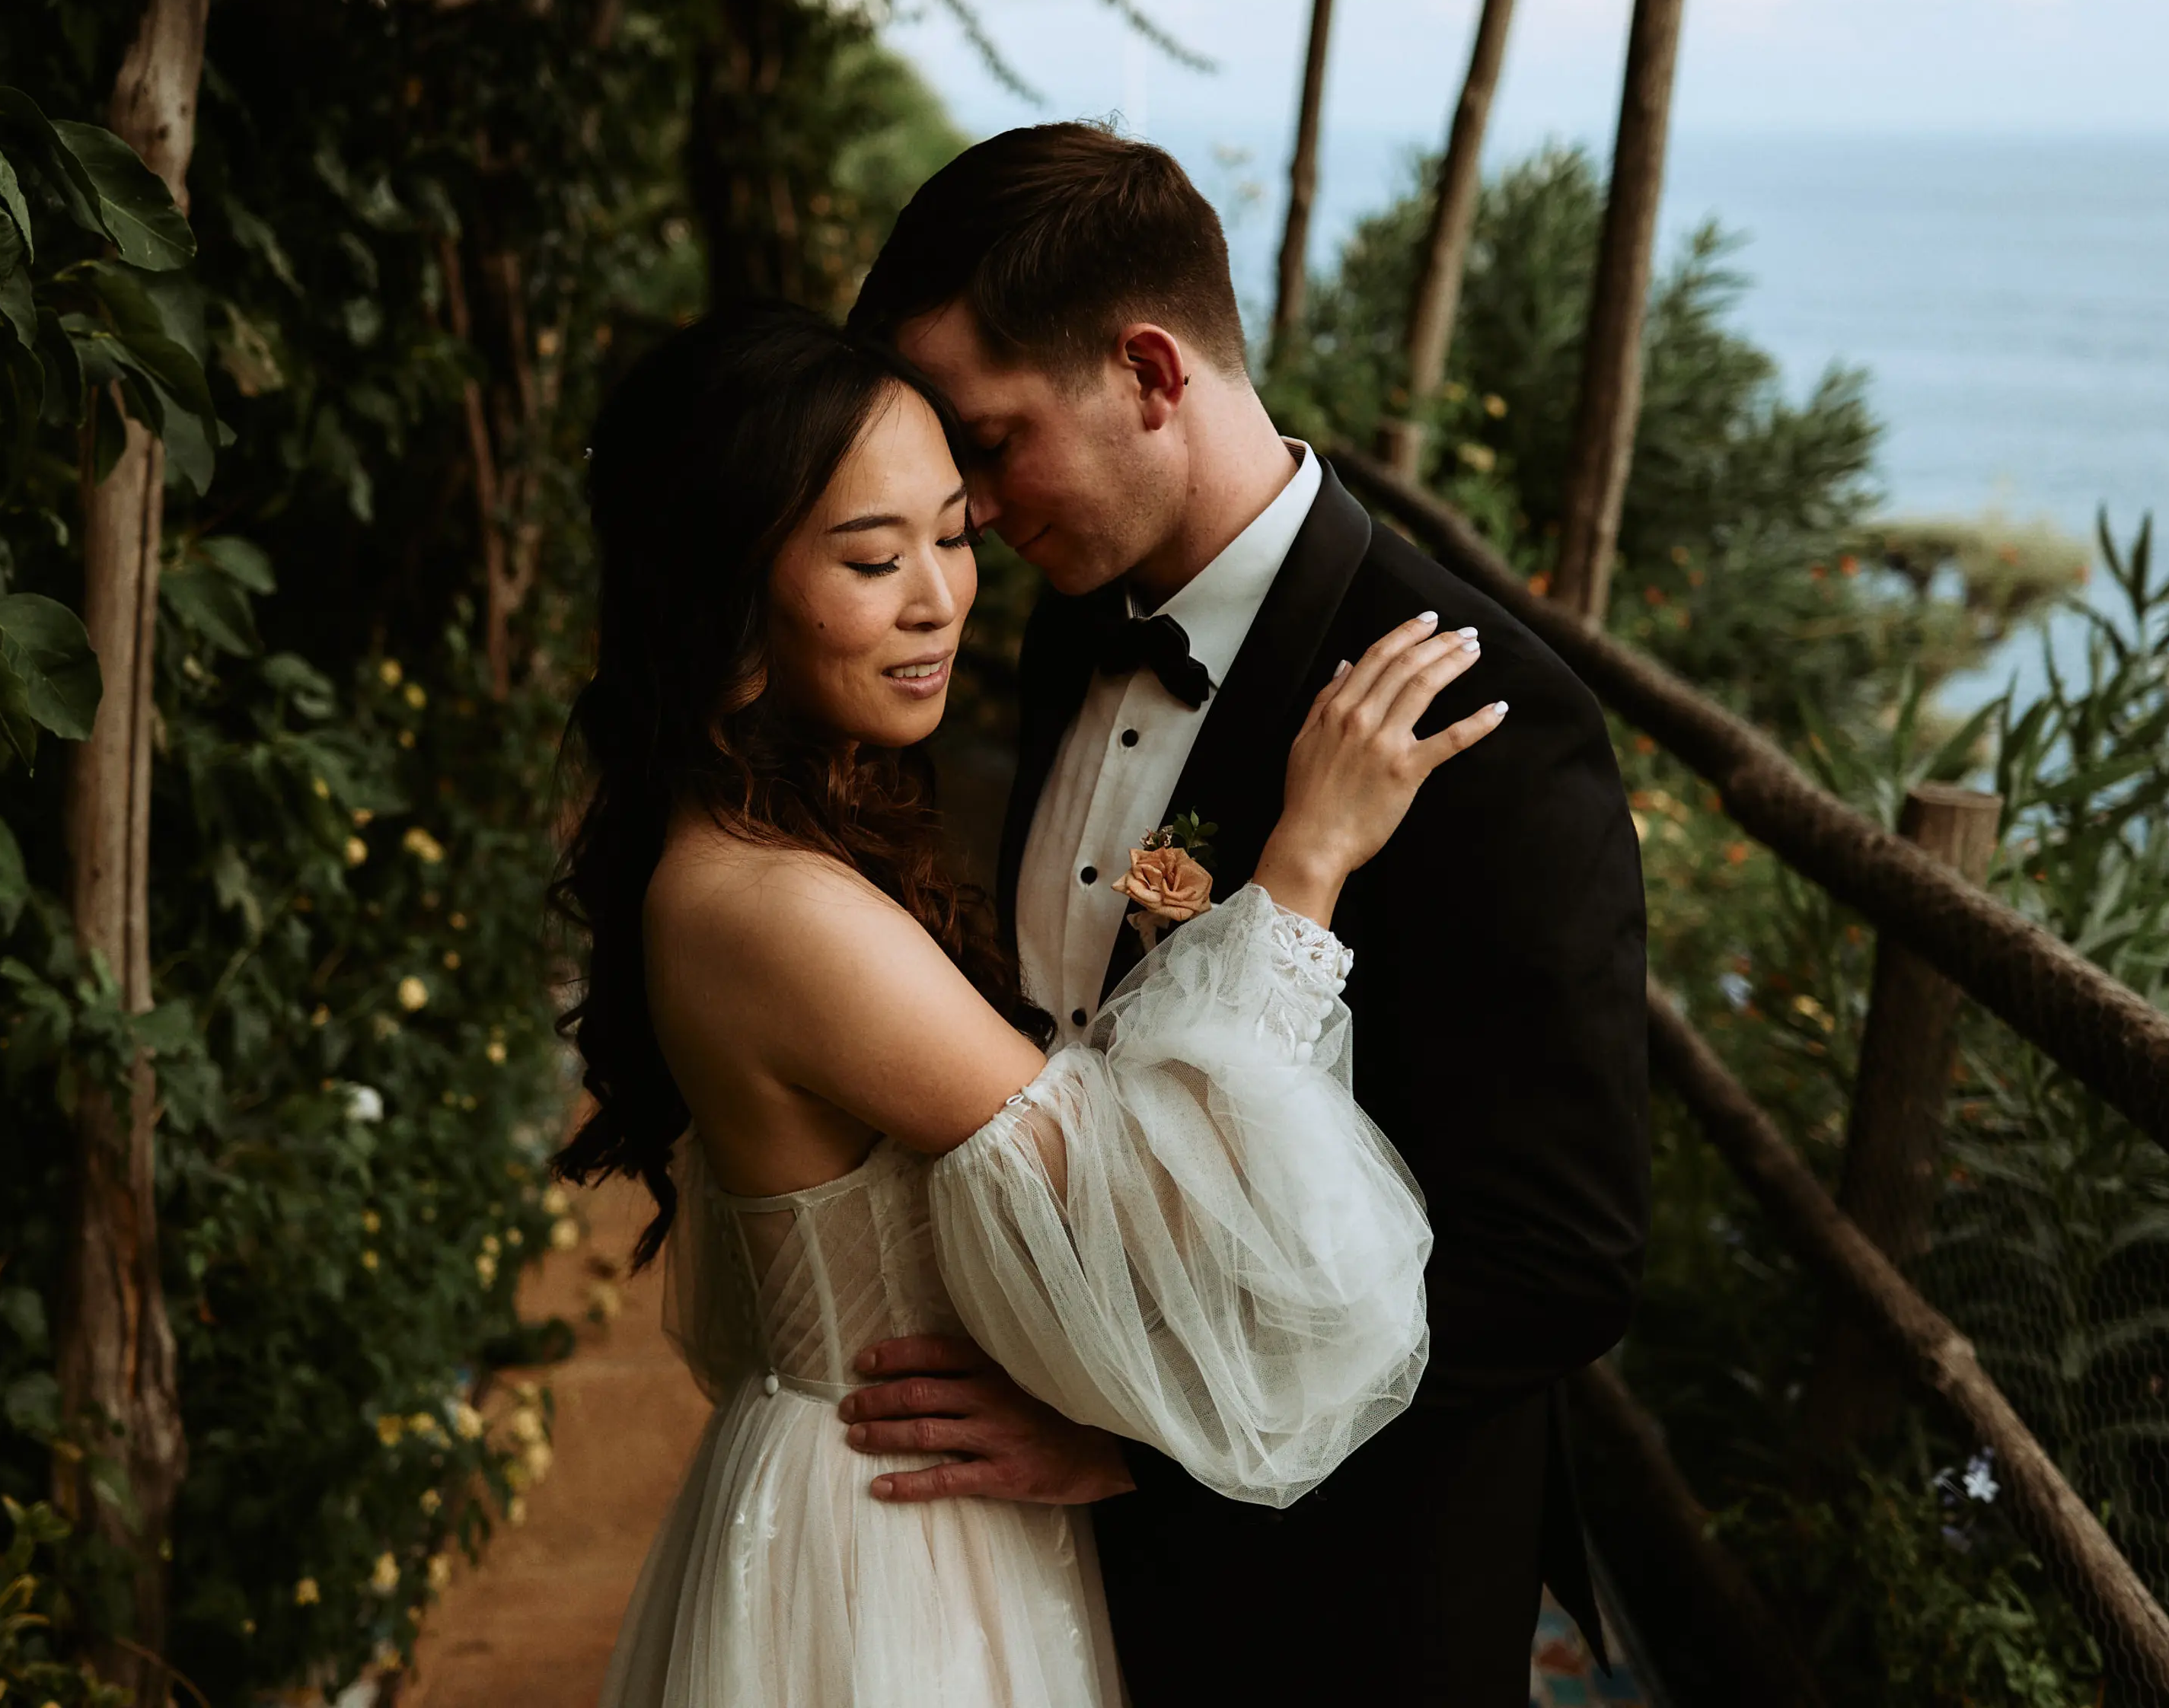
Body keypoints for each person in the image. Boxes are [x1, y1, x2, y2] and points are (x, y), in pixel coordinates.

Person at [560, 303, 1501, 1706]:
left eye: (954, 533)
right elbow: (1149, 1216)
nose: (942, 594)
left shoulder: (769, 839)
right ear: (725, 598)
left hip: (905, 1493)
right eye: (875, 558)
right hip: (892, 1546)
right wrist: (1303, 871)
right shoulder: (774, 911)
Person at [837, 123, 1651, 1703]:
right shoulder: (1079, 626)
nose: (978, 515)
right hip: (1056, 1551)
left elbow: (1558, 1259)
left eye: (994, 446)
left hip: (1346, 1587)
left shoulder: (1485, 725)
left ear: (1151, 371)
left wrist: (1135, 1442)